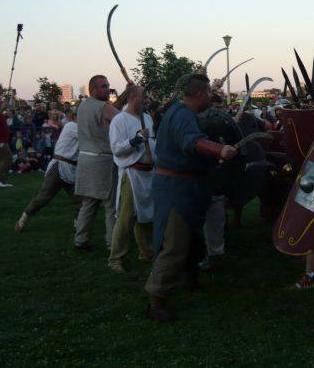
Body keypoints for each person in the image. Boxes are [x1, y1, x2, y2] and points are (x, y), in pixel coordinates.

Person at [144, 74, 237, 323]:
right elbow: (192, 142)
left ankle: (190, 280)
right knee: (174, 245)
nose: (212, 96)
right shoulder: (183, 115)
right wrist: (220, 149)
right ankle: (156, 300)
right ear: (200, 95)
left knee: (192, 239)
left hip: (185, 187)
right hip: (176, 189)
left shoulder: (178, 110)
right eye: (209, 93)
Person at [107, 85, 154, 273]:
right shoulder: (119, 120)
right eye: (144, 97)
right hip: (132, 174)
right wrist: (136, 139)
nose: (147, 100)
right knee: (126, 218)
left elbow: (153, 142)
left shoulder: (147, 118)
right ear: (134, 98)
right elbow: (116, 148)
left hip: (149, 173)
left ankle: (146, 253)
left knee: (146, 217)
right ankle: (115, 259)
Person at [73, 75, 119, 251]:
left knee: (89, 203)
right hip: (102, 161)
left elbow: (111, 109)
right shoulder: (103, 107)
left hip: (85, 159)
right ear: (93, 89)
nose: (108, 89)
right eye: (104, 86)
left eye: (108, 85)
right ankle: (112, 243)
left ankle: (80, 240)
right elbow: (122, 119)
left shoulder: (83, 105)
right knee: (110, 205)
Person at [14, 110, 80, 232]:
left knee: (80, 200)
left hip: (72, 170)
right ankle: (23, 219)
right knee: (43, 197)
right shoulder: (71, 126)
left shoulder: (82, 128)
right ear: (75, 117)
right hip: (58, 167)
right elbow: (91, 137)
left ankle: (78, 227)